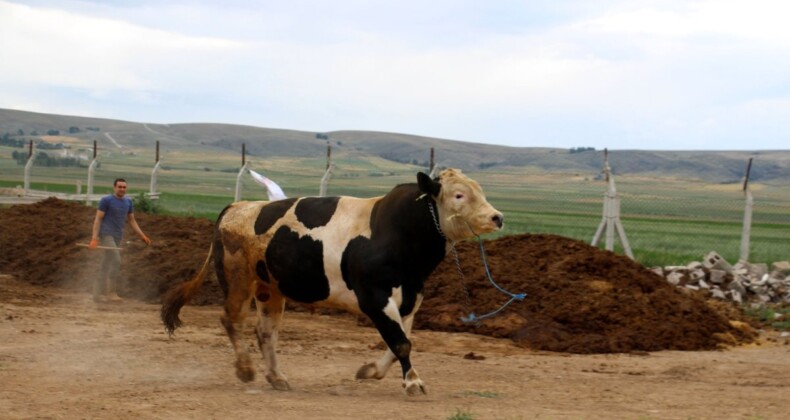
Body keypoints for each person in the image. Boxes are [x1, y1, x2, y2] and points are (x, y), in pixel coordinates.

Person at [88, 178, 152, 302]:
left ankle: (97, 294)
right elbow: (98, 219)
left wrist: (142, 236)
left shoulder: (128, 202)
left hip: (118, 236)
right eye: (119, 187)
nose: (122, 189)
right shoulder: (106, 201)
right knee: (116, 260)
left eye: (124, 187)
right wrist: (94, 238)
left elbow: (132, 220)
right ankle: (111, 293)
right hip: (106, 234)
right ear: (114, 187)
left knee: (106, 263)